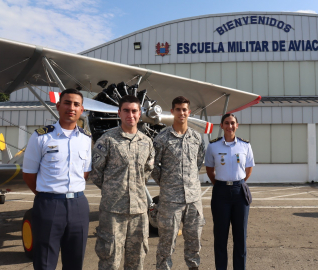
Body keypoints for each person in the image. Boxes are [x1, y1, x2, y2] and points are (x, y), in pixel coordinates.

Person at [23, 88, 92, 270]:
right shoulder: (41, 136)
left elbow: (84, 172)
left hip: (79, 205)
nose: (71, 107)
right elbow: (29, 174)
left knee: (75, 262)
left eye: (76, 104)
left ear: (81, 109)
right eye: (67, 103)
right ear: (58, 106)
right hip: (49, 205)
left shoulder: (86, 139)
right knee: (45, 262)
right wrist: (48, 195)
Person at [88, 95, 154, 270]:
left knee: (137, 259)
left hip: (139, 211)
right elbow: (96, 173)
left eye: (134, 111)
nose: (130, 115)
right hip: (112, 212)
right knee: (110, 260)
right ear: (119, 113)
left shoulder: (146, 142)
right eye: (126, 110)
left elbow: (147, 172)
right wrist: (113, 189)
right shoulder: (107, 140)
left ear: (140, 114)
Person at [151, 96, 206, 270]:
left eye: (184, 110)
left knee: (194, 243)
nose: (181, 113)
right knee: (166, 244)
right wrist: (167, 184)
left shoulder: (196, 138)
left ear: (189, 112)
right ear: (172, 111)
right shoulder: (162, 138)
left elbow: (198, 163)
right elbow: (154, 166)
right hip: (170, 202)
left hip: (193, 201)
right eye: (178, 109)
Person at [205, 113, 255, 270]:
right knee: (220, 237)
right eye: (226, 123)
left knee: (240, 236)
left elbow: (248, 169)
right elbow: (209, 169)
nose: (230, 126)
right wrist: (220, 184)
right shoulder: (213, 146)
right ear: (222, 125)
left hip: (239, 192)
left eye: (233, 123)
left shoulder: (245, 146)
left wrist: (237, 183)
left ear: (237, 125)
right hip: (220, 192)